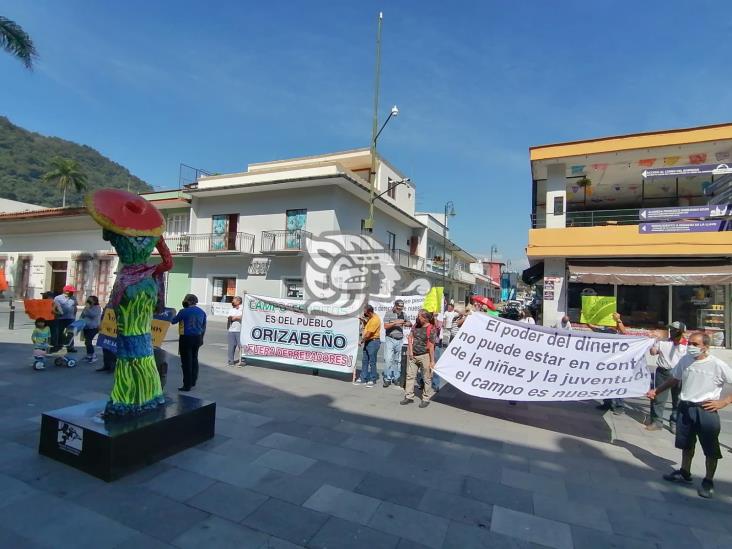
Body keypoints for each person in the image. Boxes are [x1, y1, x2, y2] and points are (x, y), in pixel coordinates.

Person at [646, 332, 732, 498]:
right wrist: (656, 390)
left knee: (710, 448)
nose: (690, 347)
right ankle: (685, 472)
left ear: (705, 347)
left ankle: (708, 481)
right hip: (686, 408)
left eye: (695, 344)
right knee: (686, 444)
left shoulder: (717, 365)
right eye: (690, 343)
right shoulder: (685, 360)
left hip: (705, 410)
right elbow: (674, 379)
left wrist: (724, 402)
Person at [647, 321, 687, 432]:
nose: (672, 331)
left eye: (675, 330)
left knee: (678, 400)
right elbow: (653, 352)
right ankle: (656, 422)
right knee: (658, 398)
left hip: (679, 374)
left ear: (681, 332)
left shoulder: (688, 345)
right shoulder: (663, 342)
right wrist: (653, 342)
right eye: (671, 329)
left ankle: (674, 422)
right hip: (663, 372)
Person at [592, 313, 628, 415]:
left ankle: (619, 406)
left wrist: (618, 320)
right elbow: (594, 329)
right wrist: (587, 319)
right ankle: (607, 403)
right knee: (606, 383)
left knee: (617, 383)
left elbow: (624, 332)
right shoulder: (605, 332)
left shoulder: (618, 333)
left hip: (617, 363)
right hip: (607, 363)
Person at [401, 309, 437, 408]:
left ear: (425, 318)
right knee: (410, 376)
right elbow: (410, 337)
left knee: (427, 378)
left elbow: (431, 346)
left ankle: (425, 398)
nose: (417, 318)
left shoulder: (431, 328)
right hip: (413, 355)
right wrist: (411, 351)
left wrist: (432, 361)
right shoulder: (415, 325)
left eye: (419, 316)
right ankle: (409, 396)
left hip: (425, 356)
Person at [171, 293, 207, 392]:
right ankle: (193, 381)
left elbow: (173, 321)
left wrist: (173, 313)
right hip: (197, 338)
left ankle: (186, 385)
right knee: (194, 359)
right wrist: (202, 339)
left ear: (189, 301)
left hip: (186, 338)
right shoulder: (202, 312)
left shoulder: (183, 311)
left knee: (186, 362)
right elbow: (204, 327)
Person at [382, 299, 411, 387]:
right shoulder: (389, 313)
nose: (399, 310)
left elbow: (410, 323)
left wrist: (405, 323)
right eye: (398, 308)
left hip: (400, 339)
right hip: (390, 338)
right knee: (388, 359)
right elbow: (385, 326)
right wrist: (395, 323)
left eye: (401, 308)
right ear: (394, 306)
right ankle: (387, 378)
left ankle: (396, 377)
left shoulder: (403, 314)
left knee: (398, 360)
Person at [355, 304, 381, 387]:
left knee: (372, 361)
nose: (364, 313)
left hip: (373, 341)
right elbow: (367, 327)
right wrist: (364, 321)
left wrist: (361, 341)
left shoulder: (375, 320)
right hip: (368, 341)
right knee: (364, 360)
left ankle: (372, 379)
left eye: (365, 312)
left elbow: (368, 334)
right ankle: (363, 377)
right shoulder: (371, 318)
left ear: (369, 312)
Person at [50, 284, 78, 353]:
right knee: (60, 333)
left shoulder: (73, 298)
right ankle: (59, 346)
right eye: (70, 291)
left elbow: (75, 307)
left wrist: (74, 316)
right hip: (60, 319)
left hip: (70, 318)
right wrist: (57, 313)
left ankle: (70, 347)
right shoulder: (58, 298)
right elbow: (53, 308)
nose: (72, 292)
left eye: (73, 291)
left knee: (71, 333)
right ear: (65, 291)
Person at [80, 295, 102, 363]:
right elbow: (82, 315)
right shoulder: (87, 307)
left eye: (90, 300)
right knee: (87, 342)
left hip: (94, 327)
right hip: (86, 327)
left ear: (94, 301)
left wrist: (87, 308)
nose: (88, 301)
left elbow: (93, 315)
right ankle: (89, 355)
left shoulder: (97, 307)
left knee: (88, 341)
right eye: (88, 299)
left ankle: (93, 355)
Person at [226, 296, 244, 366]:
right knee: (231, 346)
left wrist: (236, 317)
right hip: (231, 330)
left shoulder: (243, 309)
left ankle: (242, 360)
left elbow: (244, 316)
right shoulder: (231, 309)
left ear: (238, 301)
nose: (232, 301)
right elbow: (229, 317)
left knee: (241, 346)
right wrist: (233, 318)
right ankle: (231, 361)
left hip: (240, 330)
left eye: (234, 300)